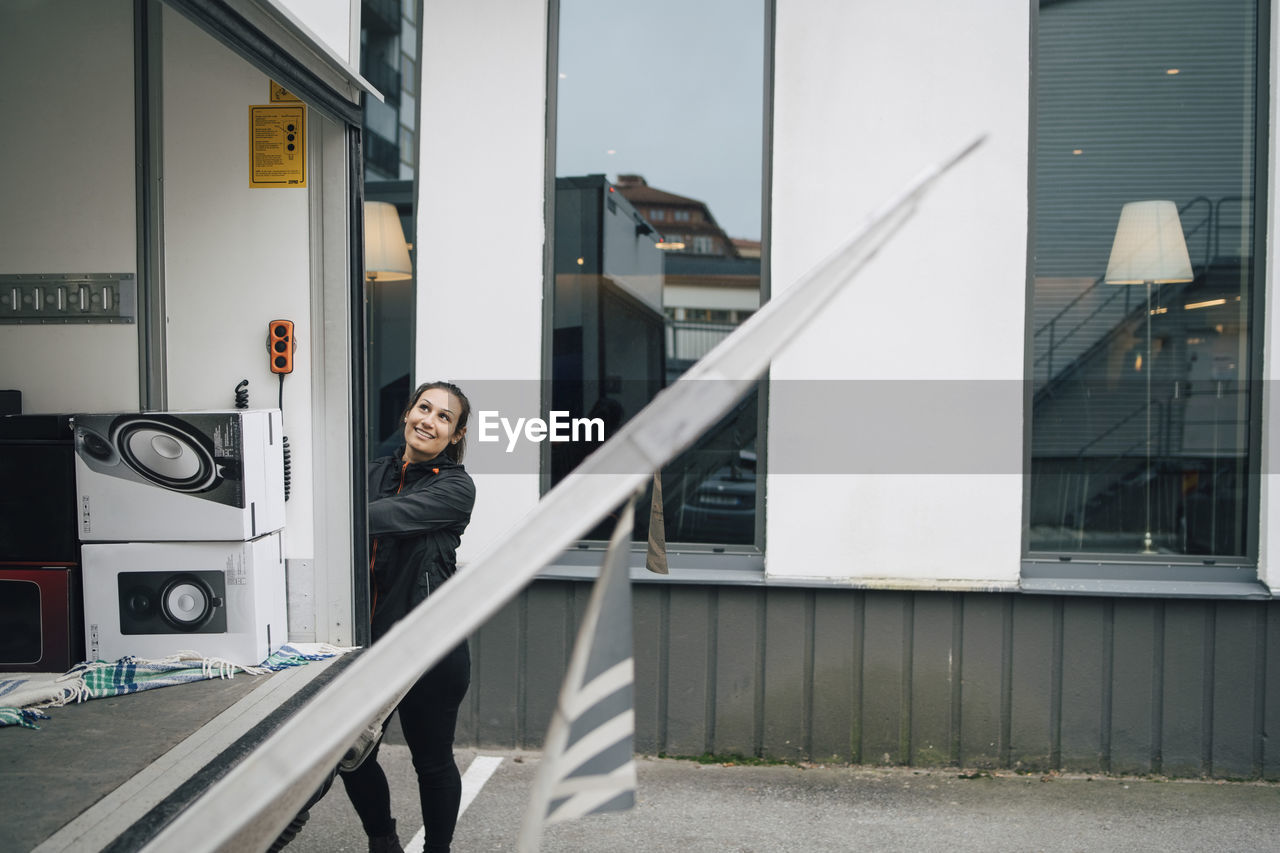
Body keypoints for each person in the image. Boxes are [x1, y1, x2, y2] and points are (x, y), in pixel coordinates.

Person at [341, 380, 476, 853]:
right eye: (424, 408)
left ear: (455, 435)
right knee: (351, 755)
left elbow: (377, 518)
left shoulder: (455, 488)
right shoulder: (371, 473)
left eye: (444, 417)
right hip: (370, 646)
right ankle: (383, 839)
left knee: (433, 761)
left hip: (430, 649)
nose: (429, 420)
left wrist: (341, 511)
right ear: (406, 414)